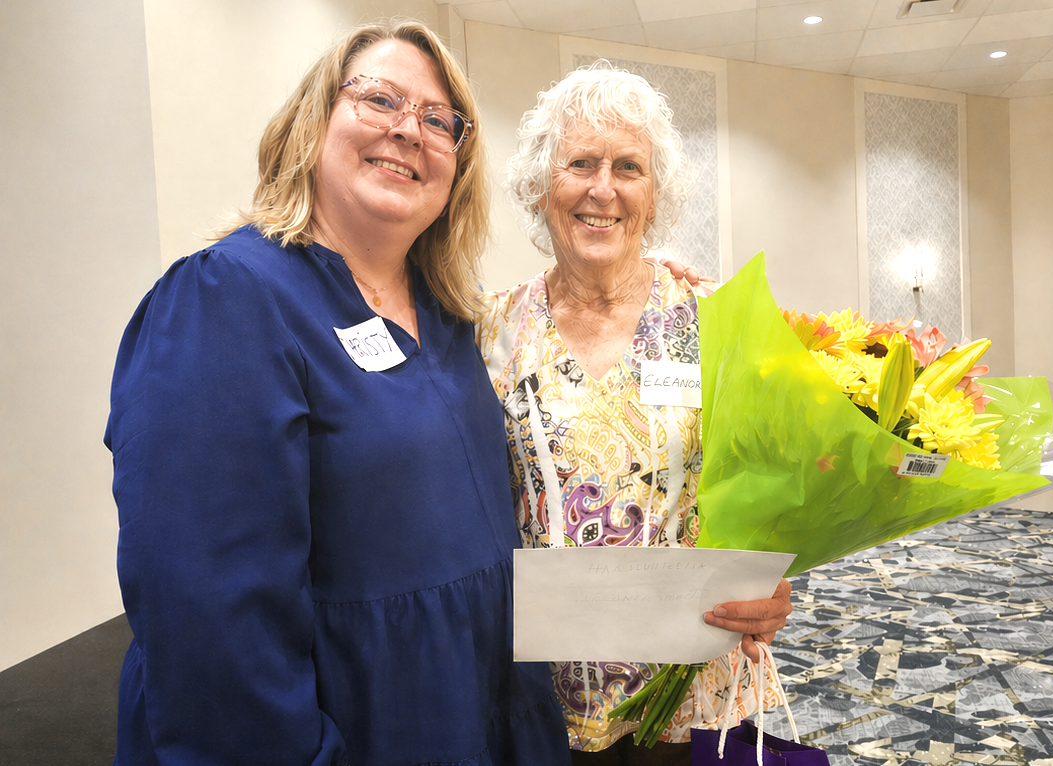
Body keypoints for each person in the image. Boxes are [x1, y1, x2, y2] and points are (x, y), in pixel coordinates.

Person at [105, 22, 571, 766]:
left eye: (437, 119)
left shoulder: (450, 318)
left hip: (474, 710)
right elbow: (209, 619)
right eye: (380, 99)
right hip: (352, 724)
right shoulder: (227, 299)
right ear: (312, 122)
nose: (408, 130)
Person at [476, 63, 794, 763]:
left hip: (688, 692)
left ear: (654, 196)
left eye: (629, 167)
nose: (603, 189)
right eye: (580, 163)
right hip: (539, 695)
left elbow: (769, 486)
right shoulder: (490, 329)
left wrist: (773, 585)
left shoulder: (707, 319)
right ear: (541, 184)